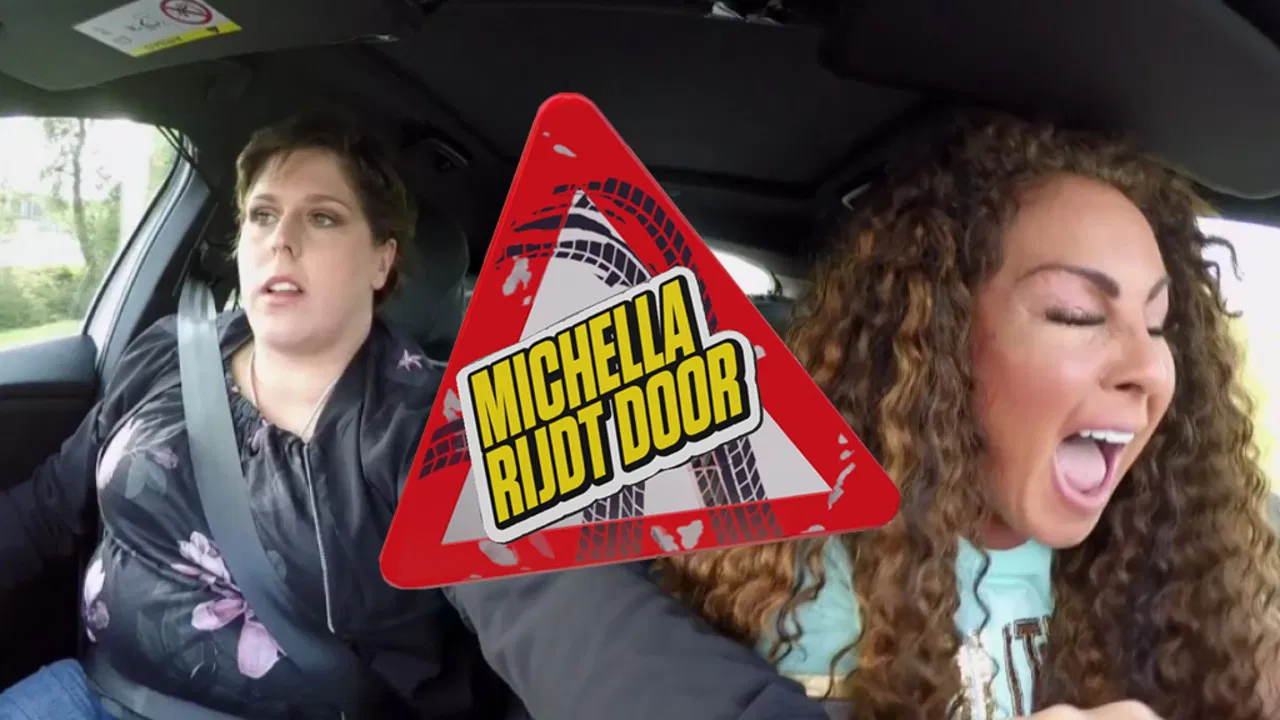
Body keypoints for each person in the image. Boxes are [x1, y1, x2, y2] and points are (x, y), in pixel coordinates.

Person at [0, 109, 833, 720]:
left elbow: (557, 606)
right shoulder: (166, 355)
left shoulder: (435, 427)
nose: (281, 239)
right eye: (262, 215)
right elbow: (42, 511)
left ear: (382, 260)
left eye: (322, 218)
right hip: (84, 694)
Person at [655, 111, 1280, 720]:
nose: (1149, 369)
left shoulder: (1174, 561)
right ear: (943, 342)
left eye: (1158, 325)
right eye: (1076, 314)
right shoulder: (823, 584)